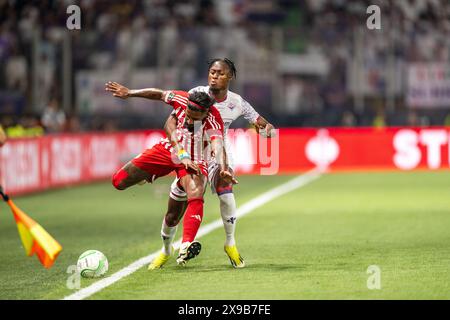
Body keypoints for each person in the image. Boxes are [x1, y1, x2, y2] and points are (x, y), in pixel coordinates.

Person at [107, 58, 275, 269]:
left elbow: (221, 143)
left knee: (220, 189)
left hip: (205, 156)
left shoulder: (233, 105)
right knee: (123, 184)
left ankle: (221, 243)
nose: (214, 76)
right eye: (212, 72)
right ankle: (167, 247)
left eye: (220, 73)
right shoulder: (193, 94)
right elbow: (168, 116)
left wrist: (268, 133)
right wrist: (129, 92)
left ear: (230, 76)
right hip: (177, 149)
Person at [105, 83, 236, 266]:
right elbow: (158, 95)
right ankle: (148, 176)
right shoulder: (182, 99)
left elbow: (217, 145)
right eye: (188, 117)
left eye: (195, 119)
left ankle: (185, 245)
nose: (190, 122)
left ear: (206, 114)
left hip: (195, 160)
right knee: (118, 181)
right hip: (170, 150)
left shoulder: (214, 120)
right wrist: (130, 93)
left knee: (195, 192)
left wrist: (223, 168)